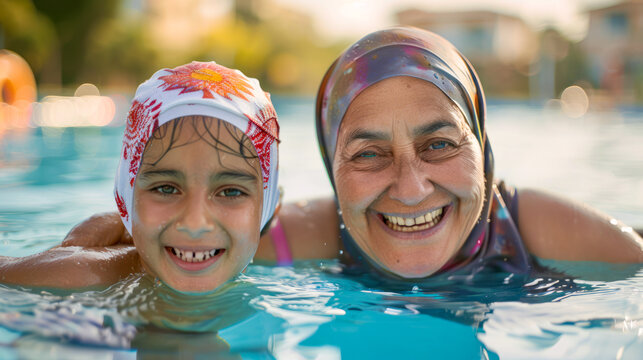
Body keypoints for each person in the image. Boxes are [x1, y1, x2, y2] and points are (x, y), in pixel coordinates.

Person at [54, 27, 643, 282]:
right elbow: (172, 245)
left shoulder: (537, 230)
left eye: (439, 144)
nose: (410, 187)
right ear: (332, 167)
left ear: (483, 150)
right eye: (368, 155)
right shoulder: (299, 236)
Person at [0, 61, 280, 292]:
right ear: (126, 196)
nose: (195, 224)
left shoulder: (287, 254)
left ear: (267, 208)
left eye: (230, 192)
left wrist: (123, 226)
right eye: (166, 189)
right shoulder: (81, 276)